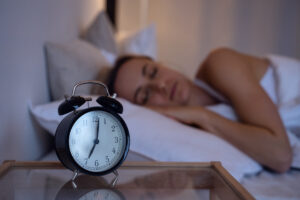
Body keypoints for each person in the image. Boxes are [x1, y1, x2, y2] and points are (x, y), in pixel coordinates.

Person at [107, 48, 293, 173]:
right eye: (145, 95)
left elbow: (281, 156)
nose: (161, 85)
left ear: (161, 63)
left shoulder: (219, 63)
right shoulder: (194, 135)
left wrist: (203, 116)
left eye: (154, 72)